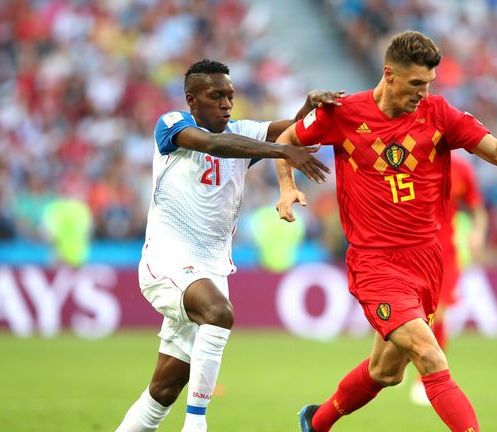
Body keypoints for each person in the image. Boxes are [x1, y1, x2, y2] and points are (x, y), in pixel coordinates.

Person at [274, 31, 497, 432]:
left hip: (427, 261)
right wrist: (287, 187)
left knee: (385, 371)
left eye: (428, 84)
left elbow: (494, 147)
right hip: (375, 262)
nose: (423, 93)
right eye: (415, 84)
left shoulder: (439, 114)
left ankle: (315, 423)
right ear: (388, 74)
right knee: (431, 355)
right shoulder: (342, 113)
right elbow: (287, 139)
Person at [115, 58, 339, 432]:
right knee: (219, 313)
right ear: (192, 99)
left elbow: (298, 134)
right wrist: (282, 152)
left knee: (164, 389)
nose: (226, 103)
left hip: (212, 269)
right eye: (215, 95)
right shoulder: (172, 126)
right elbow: (214, 144)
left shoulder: (243, 131)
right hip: (166, 262)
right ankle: (196, 425)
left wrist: (310, 107)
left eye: (230, 96)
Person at [410, 153, 488, 406]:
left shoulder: (462, 168)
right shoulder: (412, 158)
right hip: (412, 249)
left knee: (437, 312)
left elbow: (477, 208)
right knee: (410, 316)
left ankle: (426, 379)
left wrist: (478, 232)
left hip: (446, 254)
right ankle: (394, 363)